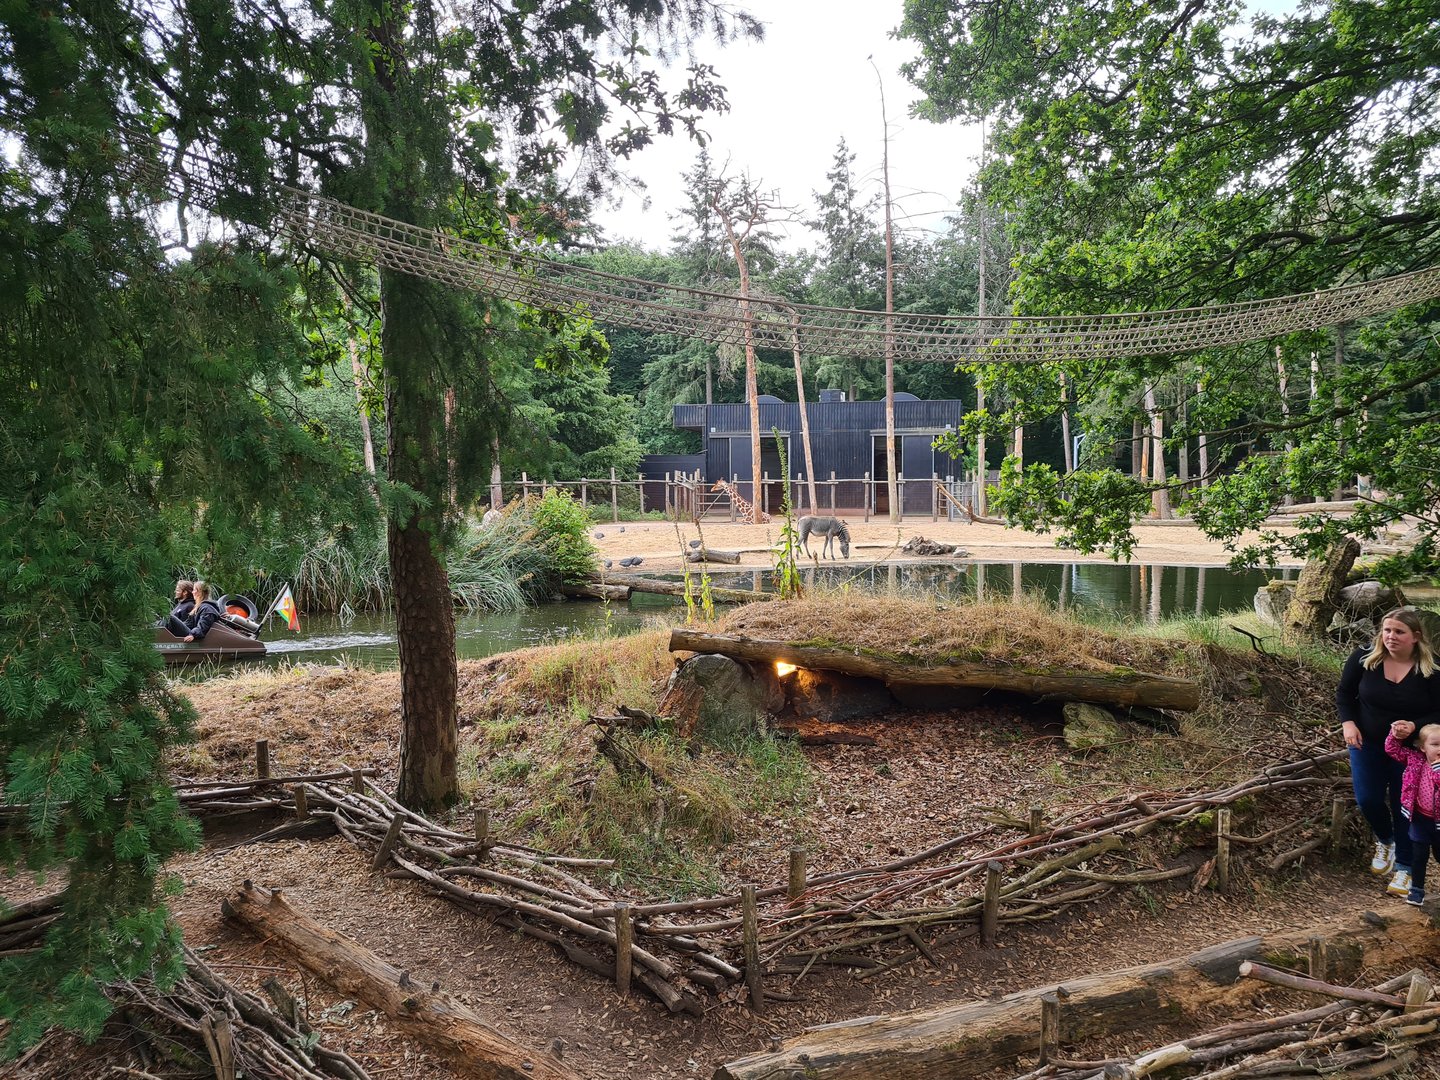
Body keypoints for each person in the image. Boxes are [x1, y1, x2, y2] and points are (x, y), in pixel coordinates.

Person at [1336, 607, 1440, 897]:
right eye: (1387, 630)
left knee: (1404, 807)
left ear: (1415, 637)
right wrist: (1348, 724)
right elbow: (1344, 693)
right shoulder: (1363, 657)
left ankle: (1405, 868)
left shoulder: (1432, 669)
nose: (1391, 636)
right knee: (1367, 799)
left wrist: (1415, 725)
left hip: (1410, 752)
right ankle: (1385, 840)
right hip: (1366, 743)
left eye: (1399, 632)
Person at [1384, 719, 1440, 906]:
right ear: (1422, 747)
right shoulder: (1415, 759)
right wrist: (1394, 734)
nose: (1439, 748)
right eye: (1435, 744)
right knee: (1419, 856)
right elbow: (1392, 750)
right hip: (1420, 818)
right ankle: (1416, 890)